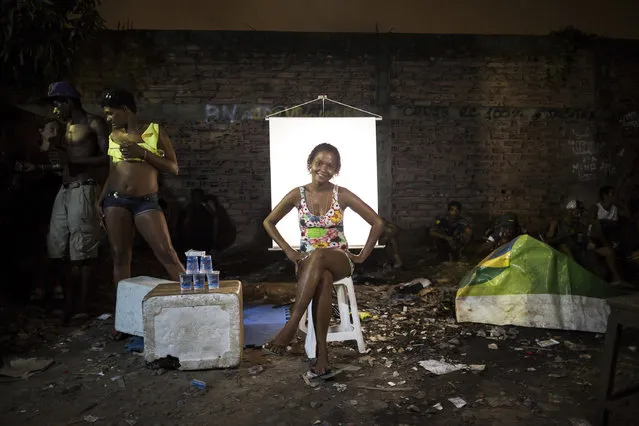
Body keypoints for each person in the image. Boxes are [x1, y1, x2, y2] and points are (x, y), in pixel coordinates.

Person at [261, 143, 384, 377]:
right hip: (308, 265)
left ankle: (290, 326)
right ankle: (323, 355)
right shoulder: (297, 195)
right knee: (323, 278)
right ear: (310, 164)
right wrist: (289, 251)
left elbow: (377, 222)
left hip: (338, 259)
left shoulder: (342, 194)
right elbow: (268, 222)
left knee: (320, 256)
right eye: (319, 163)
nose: (324, 168)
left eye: (331, 165)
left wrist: (361, 256)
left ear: (336, 170)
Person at [97, 89, 184, 309]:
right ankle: (123, 315)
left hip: (146, 201)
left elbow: (173, 168)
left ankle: (197, 301)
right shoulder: (112, 136)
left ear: (125, 110)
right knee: (120, 256)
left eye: (110, 113)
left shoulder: (154, 131)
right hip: (115, 201)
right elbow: (112, 171)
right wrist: (100, 200)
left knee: (167, 252)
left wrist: (142, 153)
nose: (108, 118)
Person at [44, 82, 110, 321]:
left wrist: (78, 162)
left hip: (84, 189)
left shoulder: (94, 123)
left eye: (58, 104)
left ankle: (83, 306)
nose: (55, 109)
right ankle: (68, 303)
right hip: (64, 190)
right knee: (58, 248)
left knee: (82, 253)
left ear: (69, 102)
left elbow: (107, 158)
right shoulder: (66, 126)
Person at [546, 199, 622, 283]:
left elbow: (585, 238)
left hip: (580, 247)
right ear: (570, 211)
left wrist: (590, 241)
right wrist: (553, 228)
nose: (579, 214)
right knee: (565, 248)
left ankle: (616, 278)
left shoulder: (579, 224)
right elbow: (549, 238)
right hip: (566, 249)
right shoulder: (558, 223)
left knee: (608, 251)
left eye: (580, 212)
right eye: (577, 211)